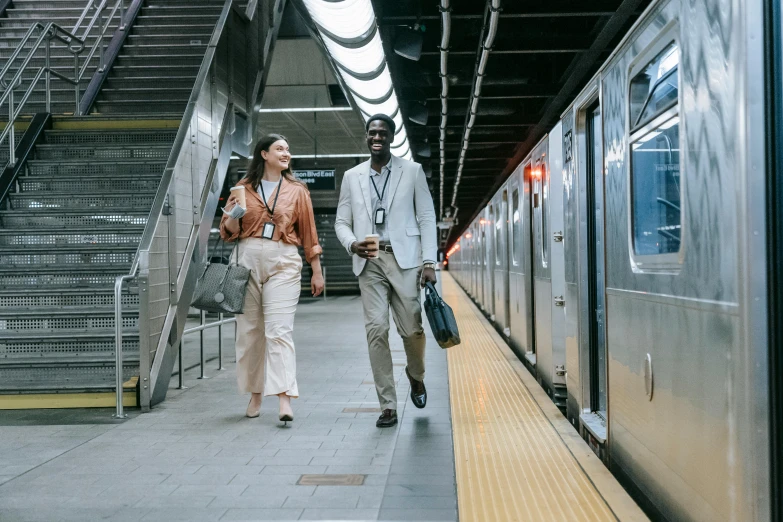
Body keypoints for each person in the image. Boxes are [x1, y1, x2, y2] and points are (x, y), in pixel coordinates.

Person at [335, 114, 437, 428]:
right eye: (372, 133)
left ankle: (416, 375)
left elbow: (426, 217)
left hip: (406, 260)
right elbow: (341, 222)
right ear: (366, 137)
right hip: (370, 261)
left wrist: (429, 262)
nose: (376, 137)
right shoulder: (352, 176)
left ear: (391, 137)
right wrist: (352, 244)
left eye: (382, 133)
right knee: (376, 330)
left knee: (411, 329)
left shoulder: (412, 171)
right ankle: (388, 405)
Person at [221, 134, 324, 424]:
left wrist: (316, 270)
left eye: (288, 150)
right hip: (247, 258)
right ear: (264, 154)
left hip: (284, 259)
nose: (286, 153)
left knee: (279, 330)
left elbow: (309, 232)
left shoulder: (297, 190)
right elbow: (227, 231)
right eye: (280, 149)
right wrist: (232, 214)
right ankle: (255, 393)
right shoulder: (243, 188)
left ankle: (283, 397)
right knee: (250, 331)